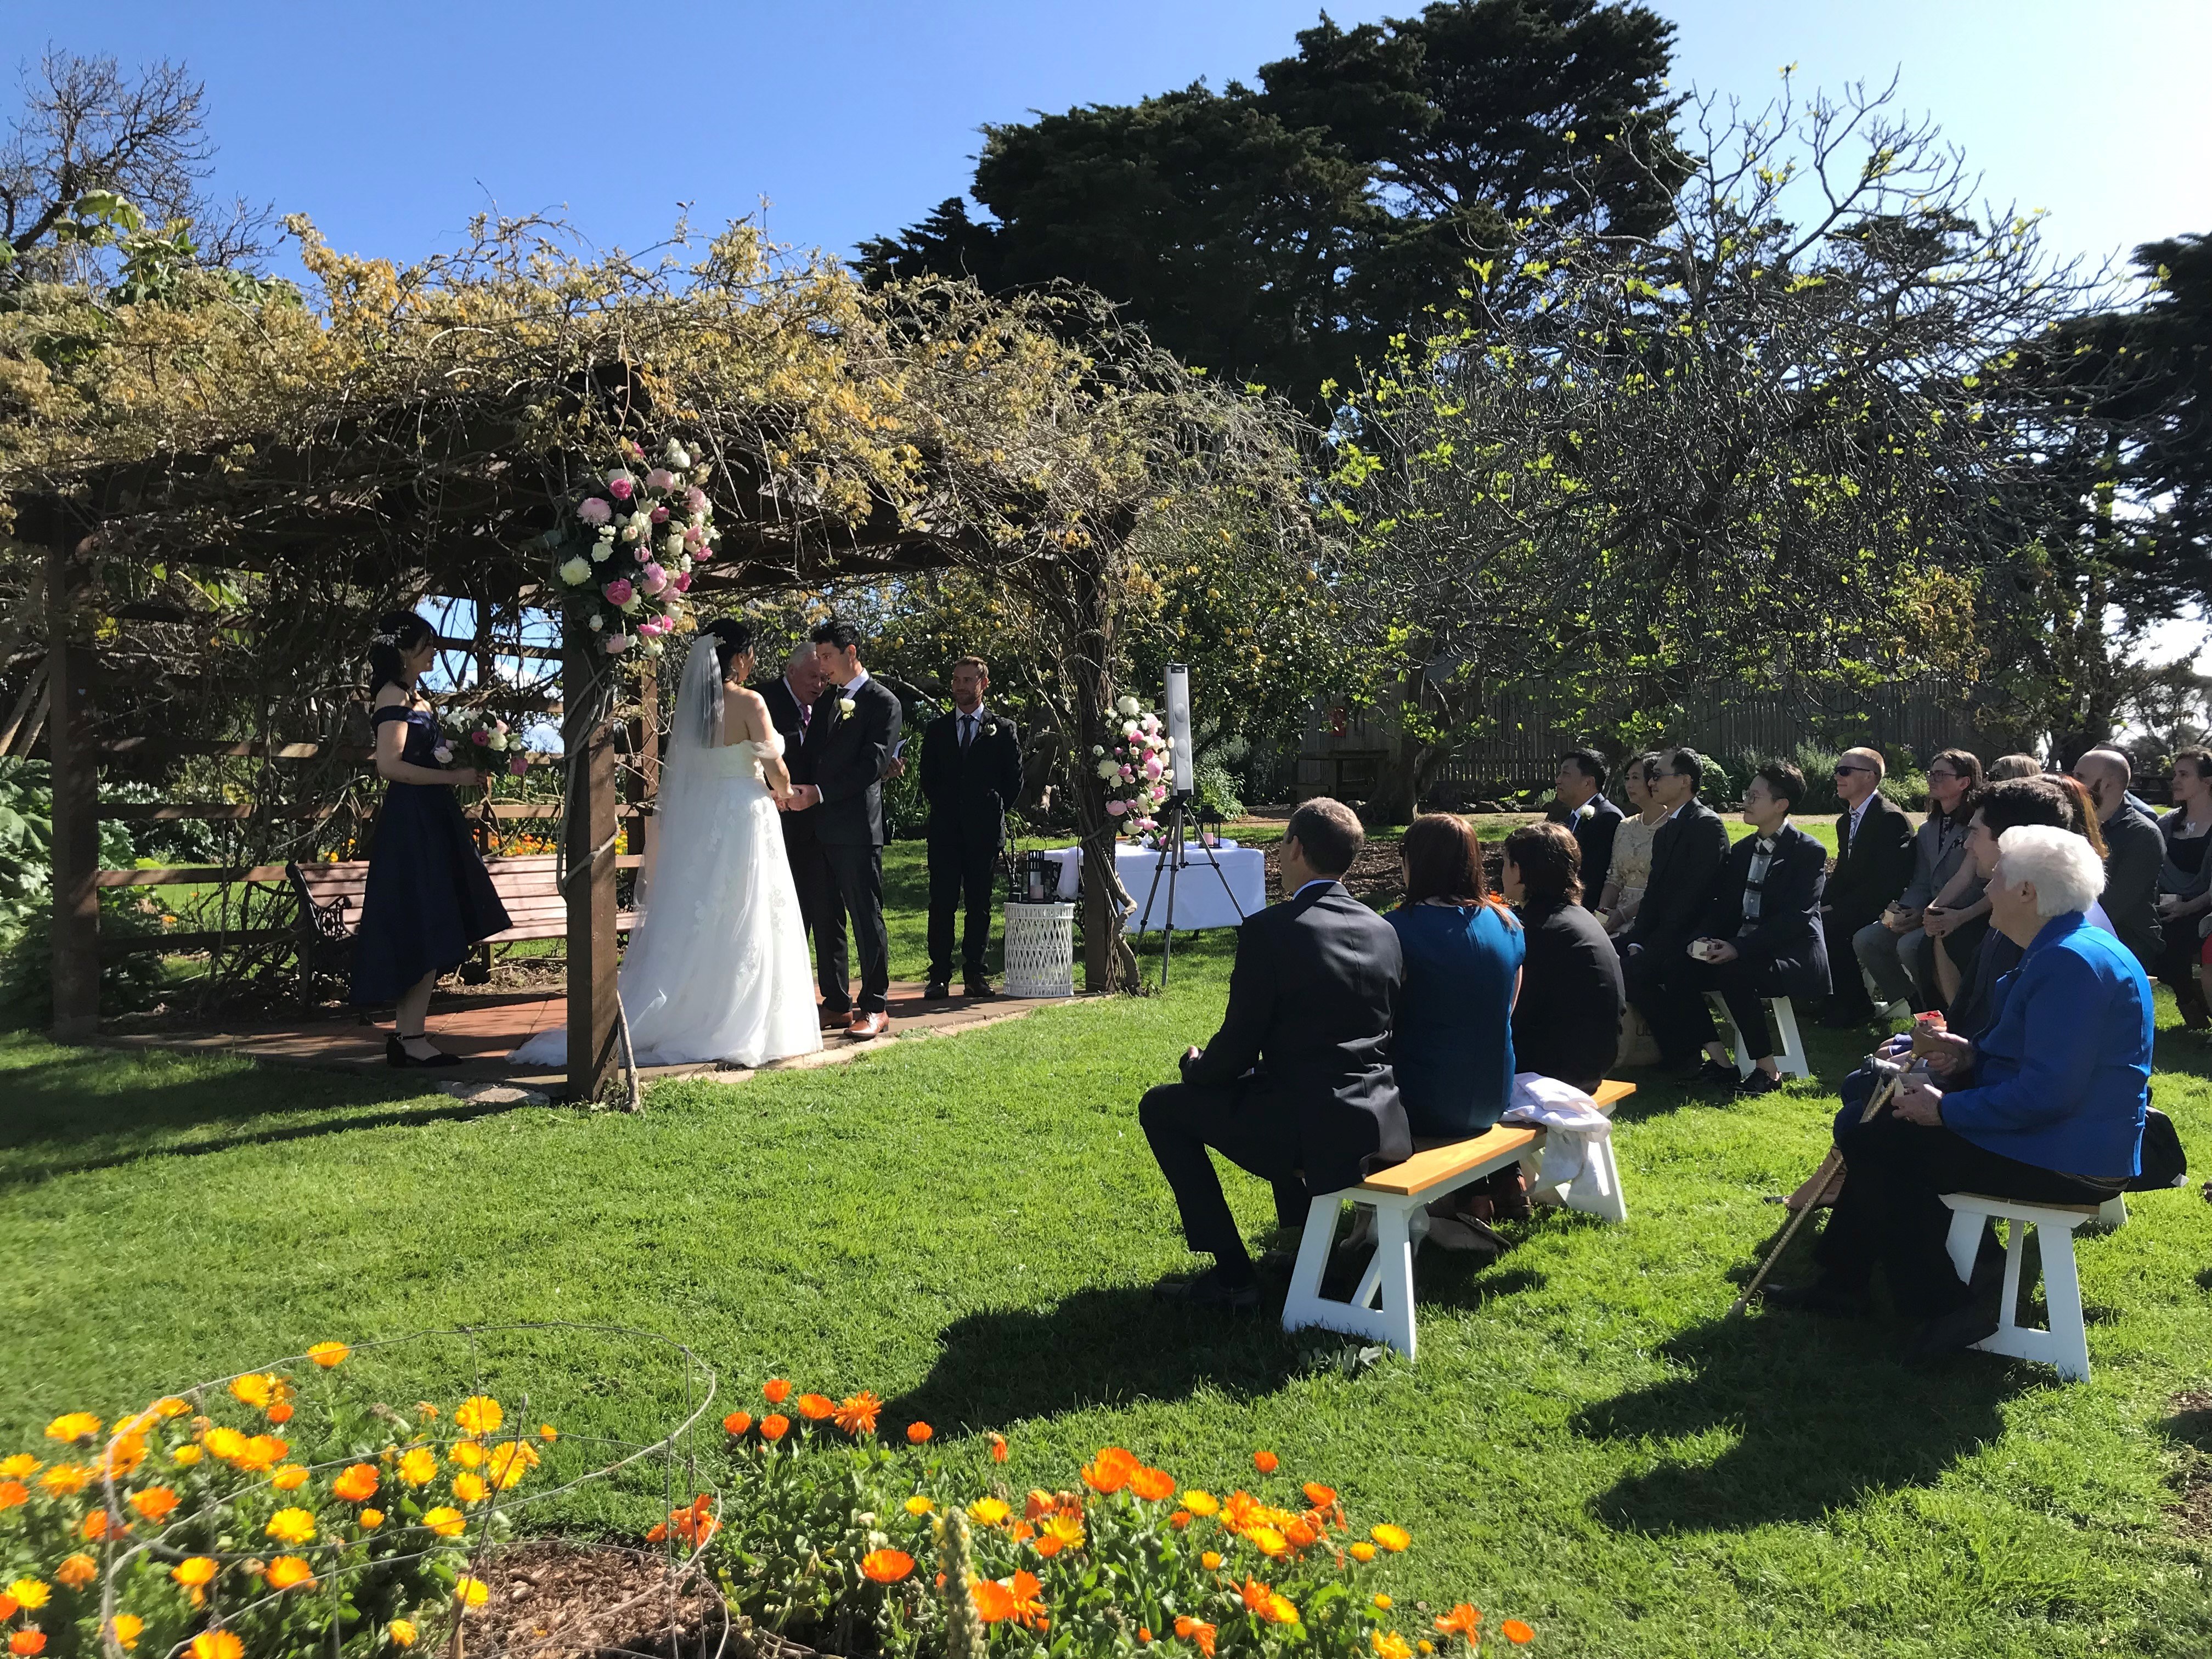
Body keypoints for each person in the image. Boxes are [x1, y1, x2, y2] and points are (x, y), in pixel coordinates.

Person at [1768, 826, 2151, 1361]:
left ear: (2027, 892)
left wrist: (1947, 1110)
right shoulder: (2063, 946)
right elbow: (2037, 1061)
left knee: (1882, 1143)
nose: (1985, 890)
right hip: (2060, 1135)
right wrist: (1970, 1056)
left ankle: (1946, 1305)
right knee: (1875, 1133)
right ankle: (1845, 1282)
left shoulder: (2070, 960)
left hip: (2070, 1155)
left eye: (1995, 880)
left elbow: (2048, 1094)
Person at [1138, 798, 1410, 1311]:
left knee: (1162, 1107)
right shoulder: (1384, 930)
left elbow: (1239, 1042)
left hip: (1310, 1128)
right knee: (1281, 1085)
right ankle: (1296, 1243)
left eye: (1283, 845)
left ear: (1298, 849)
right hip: (1383, 1122)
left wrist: (1197, 1069)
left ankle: (1234, 1277)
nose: (1279, 857)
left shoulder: (1272, 930)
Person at [511, 621, 822, 1069]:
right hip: (747, 814)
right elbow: (776, 769)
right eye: (749, 654)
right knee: (749, 909)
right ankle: (749, 1022)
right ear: (738, 658)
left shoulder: (695, 710)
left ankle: (694, 1007)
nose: (752, 662)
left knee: (705, 908)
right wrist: (785, 792)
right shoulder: (750, 702)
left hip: (709, 815)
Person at [351, 612, 514, 1066]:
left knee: (431, 917)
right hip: (411, 823)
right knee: (419, 918)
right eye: (425, 645)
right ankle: (410, 1039)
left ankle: (409, 1037)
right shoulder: (391, 696)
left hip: (432, 818)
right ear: (402, 650)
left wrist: (466, 764)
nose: (433, 652)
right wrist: (455, 775)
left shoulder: (415, 697)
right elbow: (390, 765)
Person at [1645, 761, 1830, 1094]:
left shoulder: (1808, 851)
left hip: (1791, 955)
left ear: (1780, 805)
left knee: (1735, 971)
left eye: (1755, 796)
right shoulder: (1743, 851)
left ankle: (1767, 1070)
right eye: (1748, 794)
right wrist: (1701, 940)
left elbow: (1795, 918)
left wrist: (1738, 948)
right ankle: (1720, 1063)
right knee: (1676, 967)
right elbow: (1724, 908)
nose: (1746, 801)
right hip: (1744, 950)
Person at [783, 618, 903, 1039]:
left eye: (829, 657)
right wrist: (787, 788)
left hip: (855, 829)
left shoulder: (883, 703)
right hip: (817, 829)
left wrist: (817, 793)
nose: (823, 667)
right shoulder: (830, 700)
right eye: (819, 658)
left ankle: (875, 1006)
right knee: (826, 917)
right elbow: (812, 754)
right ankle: (835, 1002)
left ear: (851, 654)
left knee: (865, 917)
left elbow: (870, 766)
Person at [1942, 777, 2115, 1041]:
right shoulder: (2026, 909)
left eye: (1976, 832)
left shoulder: (2058, 930)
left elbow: (2042, 1065)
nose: (1967, 844)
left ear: (2012, 838)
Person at [1386, 813, 1525, 1138]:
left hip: (1420, 1097)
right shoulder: (1509, 924)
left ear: (1414, 862)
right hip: (1495, 1095)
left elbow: (1378, 1019)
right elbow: (1508, 1007)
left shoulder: (1396, 929)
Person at [918, 656, 1024, 1000]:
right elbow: (928, 781)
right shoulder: (937, 730)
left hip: (983, 833)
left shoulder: (1003, 730)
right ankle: (938, 975)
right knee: (942, 903)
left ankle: (975, 974)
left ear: (984, 684)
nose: (961, 687)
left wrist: (989, 807)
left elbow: (1014, 783)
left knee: (979, 904)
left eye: (968, 680)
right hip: (946, 832)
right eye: (956, 680)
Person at [1617, 748, 1731, 1054]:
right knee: (1606, 957)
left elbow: (1696, 896)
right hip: (1665, 932)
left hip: (1696, 934)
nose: (1652, 782)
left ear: (1684, 781)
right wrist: (1637, 939)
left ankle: (1682, 1051)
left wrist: (1653, 945)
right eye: (1651, 776)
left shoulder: (1706, 825)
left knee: (1639, 971)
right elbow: (1653, 896)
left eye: (1659, 775)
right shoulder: (1667, 830)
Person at [1855, 749, 1984, 1013]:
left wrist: (1928, 914)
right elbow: (1922, 882)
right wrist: (1903, 912)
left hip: (1964, 914)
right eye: (1931, 773)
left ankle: (1942, 1011)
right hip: (1927, 909)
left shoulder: (1978, 826)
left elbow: (1973, 882)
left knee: (1909, 945)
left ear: (1964, 782)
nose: (1932, 779)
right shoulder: (1928, 829)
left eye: (1942, 774)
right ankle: (1912, 1006)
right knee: (1867, 938)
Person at [1503, 821, 1623, 1094]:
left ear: (1518, 871)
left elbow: (1514, 1010)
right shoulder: (1576, 917)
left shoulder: (1539, 929)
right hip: (1593, 1061)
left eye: (1506, 863)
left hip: (1558, 1071)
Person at [759, 645, 839, 1018]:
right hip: (775, 825)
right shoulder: (763, 699)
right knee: (779, 915)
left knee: (827, 913)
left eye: (825, 677)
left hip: (822, 825)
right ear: (790, 671)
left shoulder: (832, 704)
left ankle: (835, 999)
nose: (821, 684)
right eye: (814, 677)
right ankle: (781, 1001)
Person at [1820, 747, 1916, 1025]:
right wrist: (1820, 902)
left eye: (1845, 771)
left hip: (1887, 906)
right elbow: (1844, 875)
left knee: (1831, 927)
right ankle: (1831, 1000)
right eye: (1837, 771)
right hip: (1858, 901)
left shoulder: (1890, 819)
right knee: (1816, 920)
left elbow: (1887, 882)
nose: (1838, 776)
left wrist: (1835, 907)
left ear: (1871, 777)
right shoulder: (1845, 821)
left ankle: (1856, 1006)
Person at [2070, 747, 2164, 974]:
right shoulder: (2073, 824)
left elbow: (2112, 906)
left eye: (2080, 778)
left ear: (2108, 785)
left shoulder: (2143, 835)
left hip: (2125, 943)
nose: (2072, 784)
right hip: (2075, 934)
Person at [2153, 746, 2212, 1029]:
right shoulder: (2166, 823)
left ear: (2207, 782)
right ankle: (2193, 1002)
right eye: (2175, 774)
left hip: (2206, 907)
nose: (2175, 781)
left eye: (2184, 775)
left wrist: (2187, 907)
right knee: (2150, 937)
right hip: (2167, 904)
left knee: (2178, 938)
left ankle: (2192, 1006)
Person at [1598, 754, 1666, 935]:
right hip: (1616, 915)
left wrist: (1623, 915)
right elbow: (1614, 877)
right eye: (1627, 778)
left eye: (1636, 778)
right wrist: (1602, 913)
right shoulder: (1625, 826)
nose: (1629, 785)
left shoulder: (1672, 827)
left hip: (1652, 916)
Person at [1550, 749, 1621, 911]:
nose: (1558, 780)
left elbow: (1596, 875)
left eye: (1566, 774)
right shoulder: (1570, 819)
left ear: (1588, 782)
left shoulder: (1607, 817)